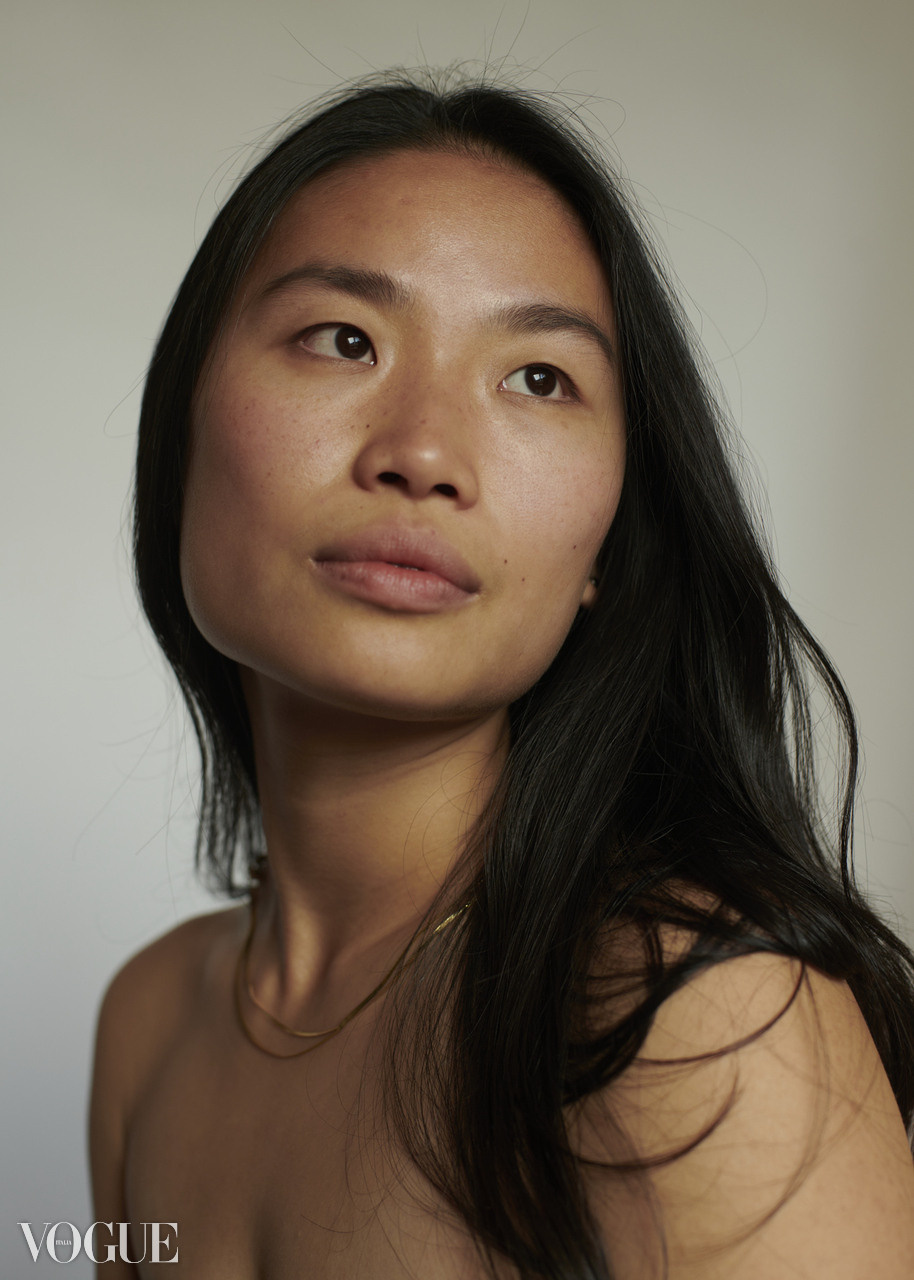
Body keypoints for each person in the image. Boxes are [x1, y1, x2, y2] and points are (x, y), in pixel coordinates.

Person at [89, 70, 914, 1278]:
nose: (422, 452)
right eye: (342, 338)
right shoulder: (148, 1021)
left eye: (538, 377)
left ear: (603, 549)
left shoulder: (693, 1018)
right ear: (186, 428)